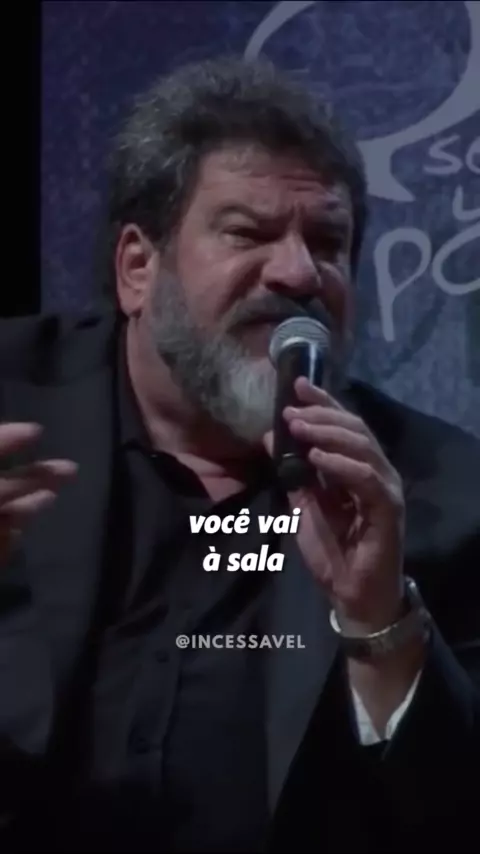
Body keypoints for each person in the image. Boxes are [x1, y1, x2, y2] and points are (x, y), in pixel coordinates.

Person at [0, 55, 479, 854]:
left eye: (327, 242)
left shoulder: (439, 496)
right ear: (137, 267)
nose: (298, 272)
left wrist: (381, 624)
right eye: (248, 233)